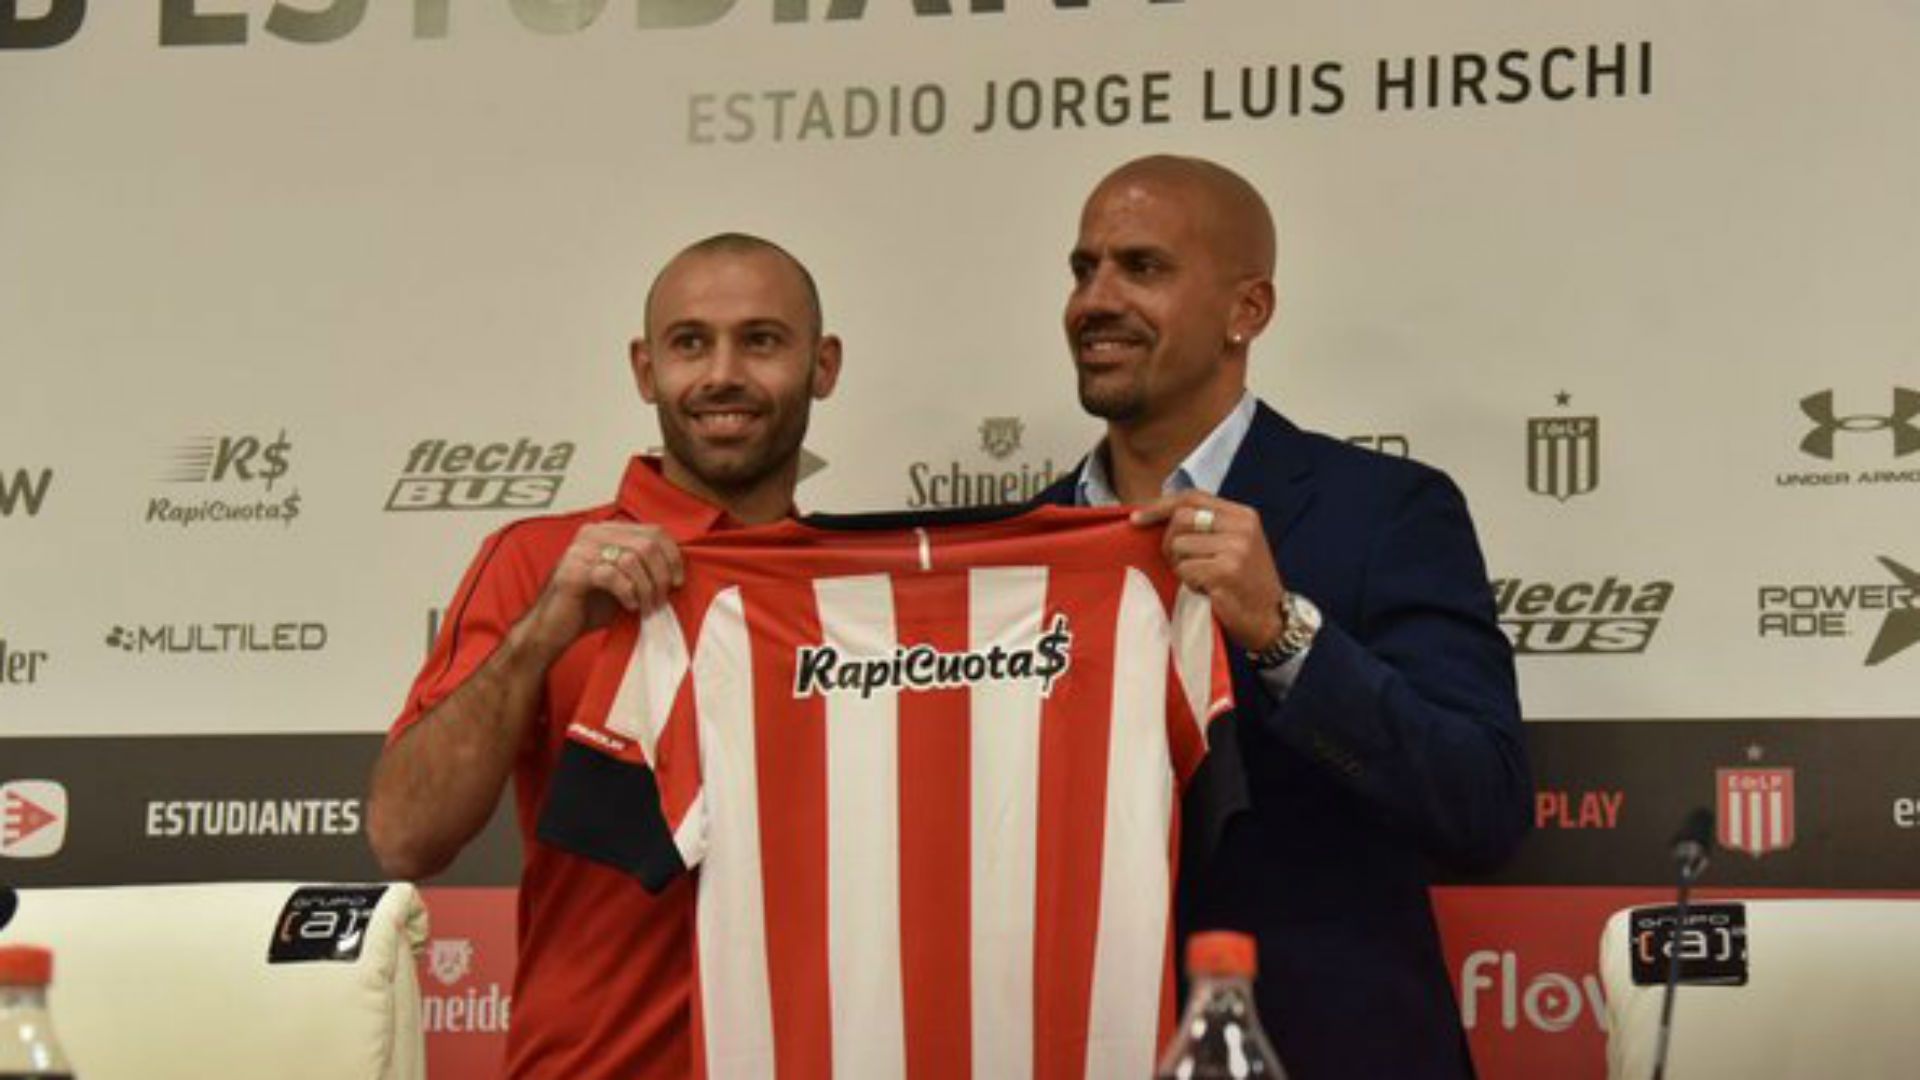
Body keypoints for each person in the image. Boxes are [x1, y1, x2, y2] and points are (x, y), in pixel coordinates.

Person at [1039, 154, 1532, 1078]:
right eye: (1083, 268)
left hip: (1322, 1051)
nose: (1094, 300)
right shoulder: (1019, 550)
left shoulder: (1384, 510)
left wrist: (1282, 632)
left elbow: (1483, 807)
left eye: (1141, 268)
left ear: (1247, 311)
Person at [366, 233, 843, 1079]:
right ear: (644, 368)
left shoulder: (862, 591)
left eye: (761, 340)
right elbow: (405, 837)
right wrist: (545, 629)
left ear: (824, 365)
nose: (723, 374)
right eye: (690, 342)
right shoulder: (538, 559)